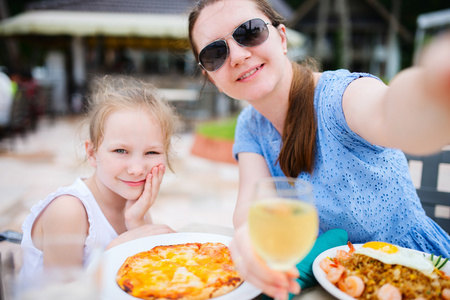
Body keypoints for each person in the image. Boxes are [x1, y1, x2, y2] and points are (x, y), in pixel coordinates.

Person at [187, 0, 450, 298]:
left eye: (249, 32)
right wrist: (249, 237)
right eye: (215, 53)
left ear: (282, 38)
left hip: (416, 271)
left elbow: (392, 114)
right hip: (335, 280)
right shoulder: (250, 125)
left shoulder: (338, 97)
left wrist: (431, 92)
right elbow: (251, 204)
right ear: (211, 77)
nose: (237, 55)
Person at [20, 75, 177, 279]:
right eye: (121, 151)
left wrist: (136, 222)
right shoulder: (69, 211)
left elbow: (145, 278)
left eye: (152, 153)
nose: (137, 169)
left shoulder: (137, 206)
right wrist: (116, 249)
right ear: (92, 153)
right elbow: (63, 295)